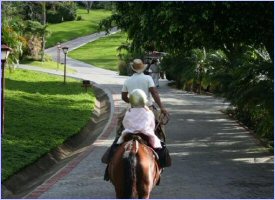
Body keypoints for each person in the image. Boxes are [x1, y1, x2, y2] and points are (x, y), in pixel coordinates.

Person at [102, 58, 170, 181]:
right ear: (143, 68)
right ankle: (160, 155)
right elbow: (154, 93)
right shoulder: (148, 79)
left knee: (120, 127)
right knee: (159, 129)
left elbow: (123, 96)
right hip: (147, 108)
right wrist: (162, 108)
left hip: (131, 108)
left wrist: (133, 102)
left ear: (133, 68)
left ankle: (112, 157)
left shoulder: (128, 80)